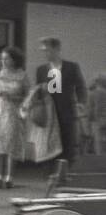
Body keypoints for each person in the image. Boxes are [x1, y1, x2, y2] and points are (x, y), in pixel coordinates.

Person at [33, 37, 87, 167]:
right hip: (49, 112)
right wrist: (39, 93)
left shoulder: (71, 67)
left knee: (67, 142)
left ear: (57, 49)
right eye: (44, 51)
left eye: (48, 50)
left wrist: (81, 103)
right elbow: (37, 91)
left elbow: (80, 87)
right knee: (50, 144)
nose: (46, 54)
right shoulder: (41, 69)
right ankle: (52, 175)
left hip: (66, 110)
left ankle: (67, 173)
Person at [0, 46, 28, 188]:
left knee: (10, 141)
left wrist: (15, 96)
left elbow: (27, 94)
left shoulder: (22, 74)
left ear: (14, 60)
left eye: (7, 58)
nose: (3, 61)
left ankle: (9, 177)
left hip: (13, 109)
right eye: (2, 58)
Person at [88, 74, 106, 156]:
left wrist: (90, 119)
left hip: (97, 119)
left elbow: (92, 108)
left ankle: (100, 156)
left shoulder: (94, 94)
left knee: (98, 140)